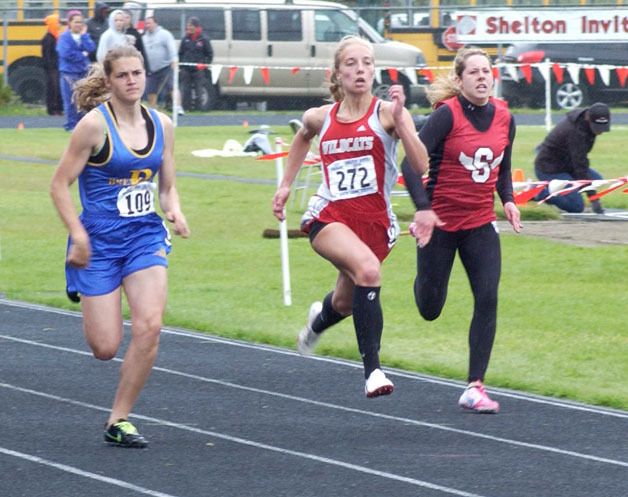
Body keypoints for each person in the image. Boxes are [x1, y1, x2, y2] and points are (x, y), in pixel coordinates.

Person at [272, 36, 429, 398]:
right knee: (369, 272)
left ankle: (317, 322)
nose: (360, 70)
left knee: (345, 302)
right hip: (329, 216)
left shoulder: (386, 114)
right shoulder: (321, 117)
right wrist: (285, 186)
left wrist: (404, 122)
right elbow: (302, 137)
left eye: (367, 63)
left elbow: (421, 165)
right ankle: (373, 371)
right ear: (337, 74)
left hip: (372, 223)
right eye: (352, 64)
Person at [50, 45, 190, 447]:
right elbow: (59, 185)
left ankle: (119, 419)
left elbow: (167, 186)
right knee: (105, 347)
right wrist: (77, 236)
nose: (132, 80)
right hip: (98, 242)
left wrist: (174, 210)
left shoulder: (162, 125)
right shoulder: (93, 127)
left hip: (144, 235)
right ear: (109, 81)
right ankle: (77, 272)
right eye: (123, 75)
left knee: (150, 326)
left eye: (138, 73)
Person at [401, 47, 522, 414]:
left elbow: (503, 166)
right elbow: (409, 165)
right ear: (460, 79)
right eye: (474, 72)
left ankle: (475, 386)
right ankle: (422, 279)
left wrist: (509, 200)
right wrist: (423, 211)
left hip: (480, 224)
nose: (483, 77)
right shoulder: (445, 116)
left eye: (487, 71)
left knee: (487, 297)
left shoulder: (505, 116)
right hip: (440, 223)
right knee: (430, 307)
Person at [534, 103, 610, 214]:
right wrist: (594, 199)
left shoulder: (585, 124)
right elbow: (580, 166)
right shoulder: (575, 133)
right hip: (550, 170)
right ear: (588, 118)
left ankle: (564, 192)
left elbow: (580, 163)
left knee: (597, 180)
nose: (600, 132)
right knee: (576, 206)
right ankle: (538, 192)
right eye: (597, 127)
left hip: (567, 166)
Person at [56, 10, 96, 131]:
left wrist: (84, 36)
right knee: (70, 101)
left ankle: (82, 125)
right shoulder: (64, 37)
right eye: (76, 22)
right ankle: (71, 125)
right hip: (68, 73)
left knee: (83, 99)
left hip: (83, 72)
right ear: (69, 23)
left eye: (81, 22)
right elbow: (66, 54)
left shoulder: (85, 36)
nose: (78, 24)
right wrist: (83, 54)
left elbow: (91, 47)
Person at [178, 17, 213, 111]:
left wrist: (204, 64)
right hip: (186, 69)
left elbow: (209, 54)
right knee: (185, 89)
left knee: (199, 89)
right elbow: (180, 53)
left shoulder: (203, 39)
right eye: (188, 25)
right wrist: (181, 66)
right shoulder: (185, 39)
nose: (188, 27)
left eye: (190, 25)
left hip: (198, 69)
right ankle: (186, 108)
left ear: (196, 27)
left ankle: (200, 109)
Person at [142, 13, 177, 107]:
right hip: (151, 70)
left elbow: (172, 48)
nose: (147, 25)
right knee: (151, 90)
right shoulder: (144, 37)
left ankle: (178, 107)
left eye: (149, 23)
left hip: (165, 67)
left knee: (172, 87)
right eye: (146, 23)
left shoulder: (165, 34)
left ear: (155, 23)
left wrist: (174, 59)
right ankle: (153, 109)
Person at [41, 13, 63, 116]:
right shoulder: (48, 38)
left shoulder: (55, 37)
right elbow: (47, 55)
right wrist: (51, 68)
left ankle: (58, 108)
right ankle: (52, 109)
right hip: (52, 68)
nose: (59, 25)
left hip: (57, 67)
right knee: (53, 88)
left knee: (58, 88)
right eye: (57, 22)